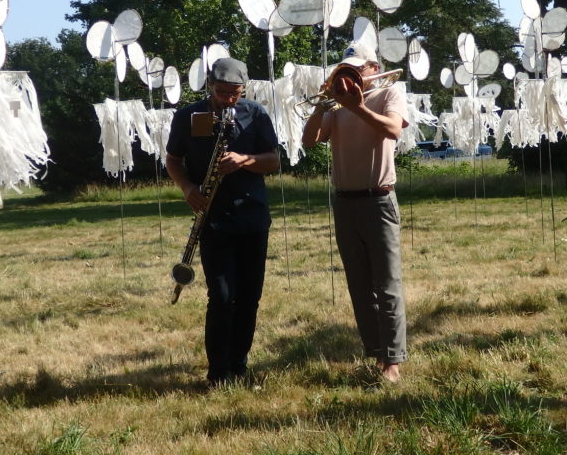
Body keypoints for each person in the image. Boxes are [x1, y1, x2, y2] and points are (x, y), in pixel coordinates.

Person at [165, 58, 280, 387]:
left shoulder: (255, 113)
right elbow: (173, 159)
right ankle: (218, 371)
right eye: (222, 92)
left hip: (253, 216)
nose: (229, 99)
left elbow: (273, 159)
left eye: (236, 93)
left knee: (249, 297)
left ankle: (239, 364)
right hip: (213, 219)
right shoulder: (189, 116)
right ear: (209, 86)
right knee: (222, 295)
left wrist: (245, 160)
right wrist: (188, 189)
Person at [301, 42, 409, 383]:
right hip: (345, 202)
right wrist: (322, 104)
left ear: (373, 69)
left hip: (379, 200)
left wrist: (357, 106)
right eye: (345, 70)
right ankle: (376, 354)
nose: (350, 76)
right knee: (359, 285)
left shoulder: (390, 93)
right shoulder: (336, 106)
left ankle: (393, 362)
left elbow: (393, 130)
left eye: (357, 70)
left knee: (387, 283)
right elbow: (309, 140)